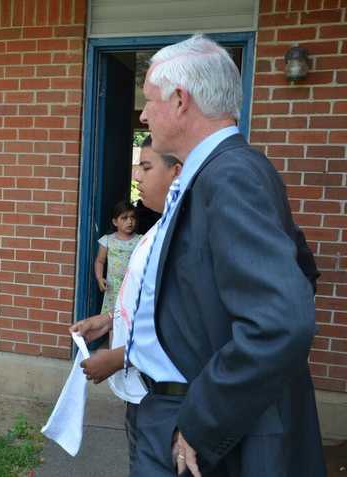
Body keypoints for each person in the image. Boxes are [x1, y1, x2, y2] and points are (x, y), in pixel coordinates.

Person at [127, 34, 325, 476]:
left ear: (180, 100)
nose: (143, 114)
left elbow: (281, 321)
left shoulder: (231, 175)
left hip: (196, 421)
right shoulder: (217, 171)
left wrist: (203, 420)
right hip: (169, 405)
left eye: (149, 100)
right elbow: (301, 274)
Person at [72, 136, 182, 471]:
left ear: (176, 173)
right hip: (141, 395)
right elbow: (145, 302)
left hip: (164, 400)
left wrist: (118, 358)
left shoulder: (183, 234)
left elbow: (180, 324)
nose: (136, 176)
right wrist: (107, 321)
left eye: (146, 167)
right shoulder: (159, 228)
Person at [94, 200, 141, 315]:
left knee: (130, 317)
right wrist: (100, 278)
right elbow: (100, 261)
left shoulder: (141, 240)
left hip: (133, 287)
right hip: (113, 288)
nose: (130, 221)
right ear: (115, 222)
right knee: (111, 320)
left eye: (132, 217)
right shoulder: (108, 240)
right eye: (124, 218)